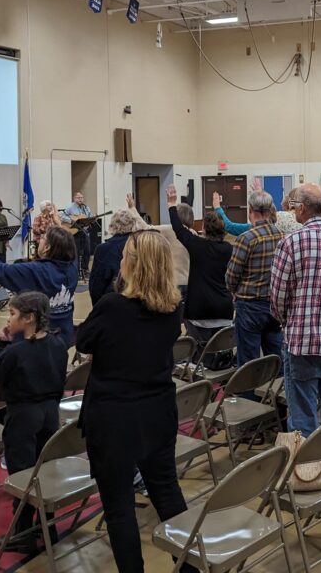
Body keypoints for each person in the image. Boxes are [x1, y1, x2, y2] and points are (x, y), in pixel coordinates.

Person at [75, 229, 195, 573]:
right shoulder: (173, 308)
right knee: (167, 493)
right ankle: (189, 567)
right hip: (158, 411)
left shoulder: (113, 306)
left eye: (126, 255)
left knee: (118, 506)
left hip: (114, 417)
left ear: (133, 264)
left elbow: (84, 342)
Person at [0, 292, 68, 555]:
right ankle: (48, 526)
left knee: (22, 473)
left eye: (12, 314)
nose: (8, 319)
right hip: (49, 413)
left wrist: (2, 345)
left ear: (29, 318)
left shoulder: (17, 351)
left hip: (22, 415)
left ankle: (23, 532)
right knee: (43, 469)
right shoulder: (58, 344)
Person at [270, 183, 321, 437]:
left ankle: (306, 473)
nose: (293, 210)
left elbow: (278, 297)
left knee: (303, 416)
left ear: (303, 209)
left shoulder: (290, 242)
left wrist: (287, 322)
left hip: (302, 342)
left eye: (295, 206)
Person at [0, 217, 79, 345]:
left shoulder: (34, 271)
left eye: (42, 239)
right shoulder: (72, 267)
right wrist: (58, 226)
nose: (38, 240)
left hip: (35, 343)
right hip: (63, 338)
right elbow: (69, 244)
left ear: (47, 248)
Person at [166, 186, 233, 354]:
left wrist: (171, 204)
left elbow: (178, 229)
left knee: (199, 351)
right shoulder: (228, 249)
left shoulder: (197, 245)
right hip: (223, 308)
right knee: (221, 349)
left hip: (199, 308)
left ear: (203, 228)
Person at [226, 190, 283, 366]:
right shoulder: (282, 235)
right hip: (274, 305)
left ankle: (248, 394)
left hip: (249, 306)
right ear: (270, 210)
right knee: (276, 358)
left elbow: (231, 276)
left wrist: (234, 291)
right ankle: (274, 392)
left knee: (249, 361)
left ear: (251, 209)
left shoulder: (246, 238)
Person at [89, 202, 147, 305]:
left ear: (112, 225)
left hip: (112, 301)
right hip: (139, 300)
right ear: (133, 224)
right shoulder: (141, 245)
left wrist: (98, 308)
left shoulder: (103, 249)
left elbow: (96, 284)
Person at [61, 192, 95, 278]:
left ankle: (85, 269)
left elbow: (90, 216)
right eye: (78, 197)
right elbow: (61, 216)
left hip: (84, 231)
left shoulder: (86, 208)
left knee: (87, 250)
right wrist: (71, 220)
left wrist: (92, 219)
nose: (80, 199)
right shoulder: (70, 207)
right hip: (75, 232)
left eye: (82, 197)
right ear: (74, 199)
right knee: (75, 251)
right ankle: (75, 271)